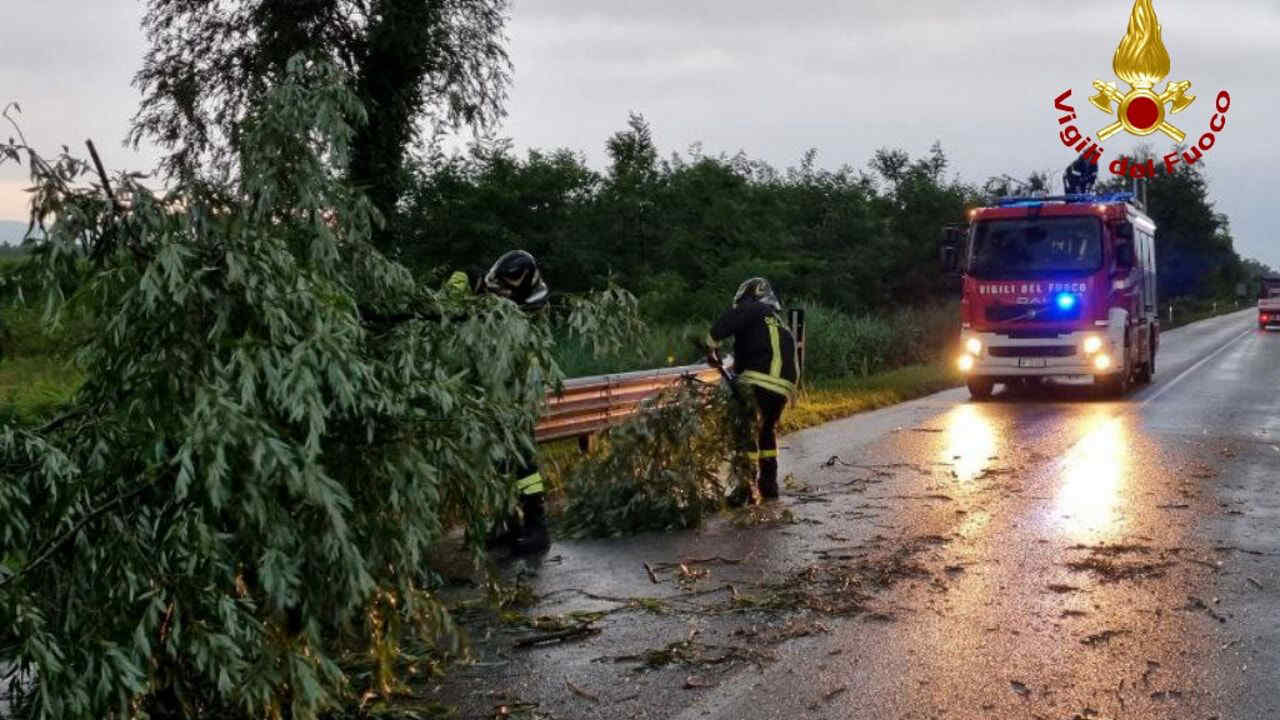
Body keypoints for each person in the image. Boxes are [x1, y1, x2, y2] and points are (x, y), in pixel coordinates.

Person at [478, 250, 551, 554]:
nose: (504, 290)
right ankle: (507, 523)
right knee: (497, 459)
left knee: (522, 458)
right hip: (498, 379)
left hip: (523, 382)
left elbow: (510, 316)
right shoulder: (496, 280)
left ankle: (537, 526)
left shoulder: (537, 298)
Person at [705, 277, 798, 506]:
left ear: (749, 296)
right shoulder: (777, 321)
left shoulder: (753, 309)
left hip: (759, 379)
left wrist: (711, 344)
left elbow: (725, 325)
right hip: (783, 386)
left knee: (744, 431)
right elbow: (757, 350)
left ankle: (743, 488)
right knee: (766, 430)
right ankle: (769, 485)